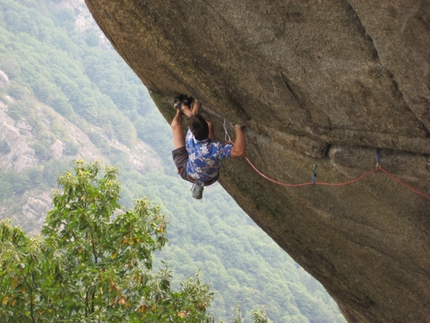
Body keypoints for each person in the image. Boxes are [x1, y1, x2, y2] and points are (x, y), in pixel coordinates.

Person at [171, 94, 246, 199]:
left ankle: (180, 108)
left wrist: (196, 102)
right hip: (206, 175)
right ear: (206, 130)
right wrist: (238, 127)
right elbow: (239, 151)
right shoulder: (214, 149)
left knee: (177, 125)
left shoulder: (190, 137)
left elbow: (197, 120)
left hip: (190, 171)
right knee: (177, 125)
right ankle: (182, 108)